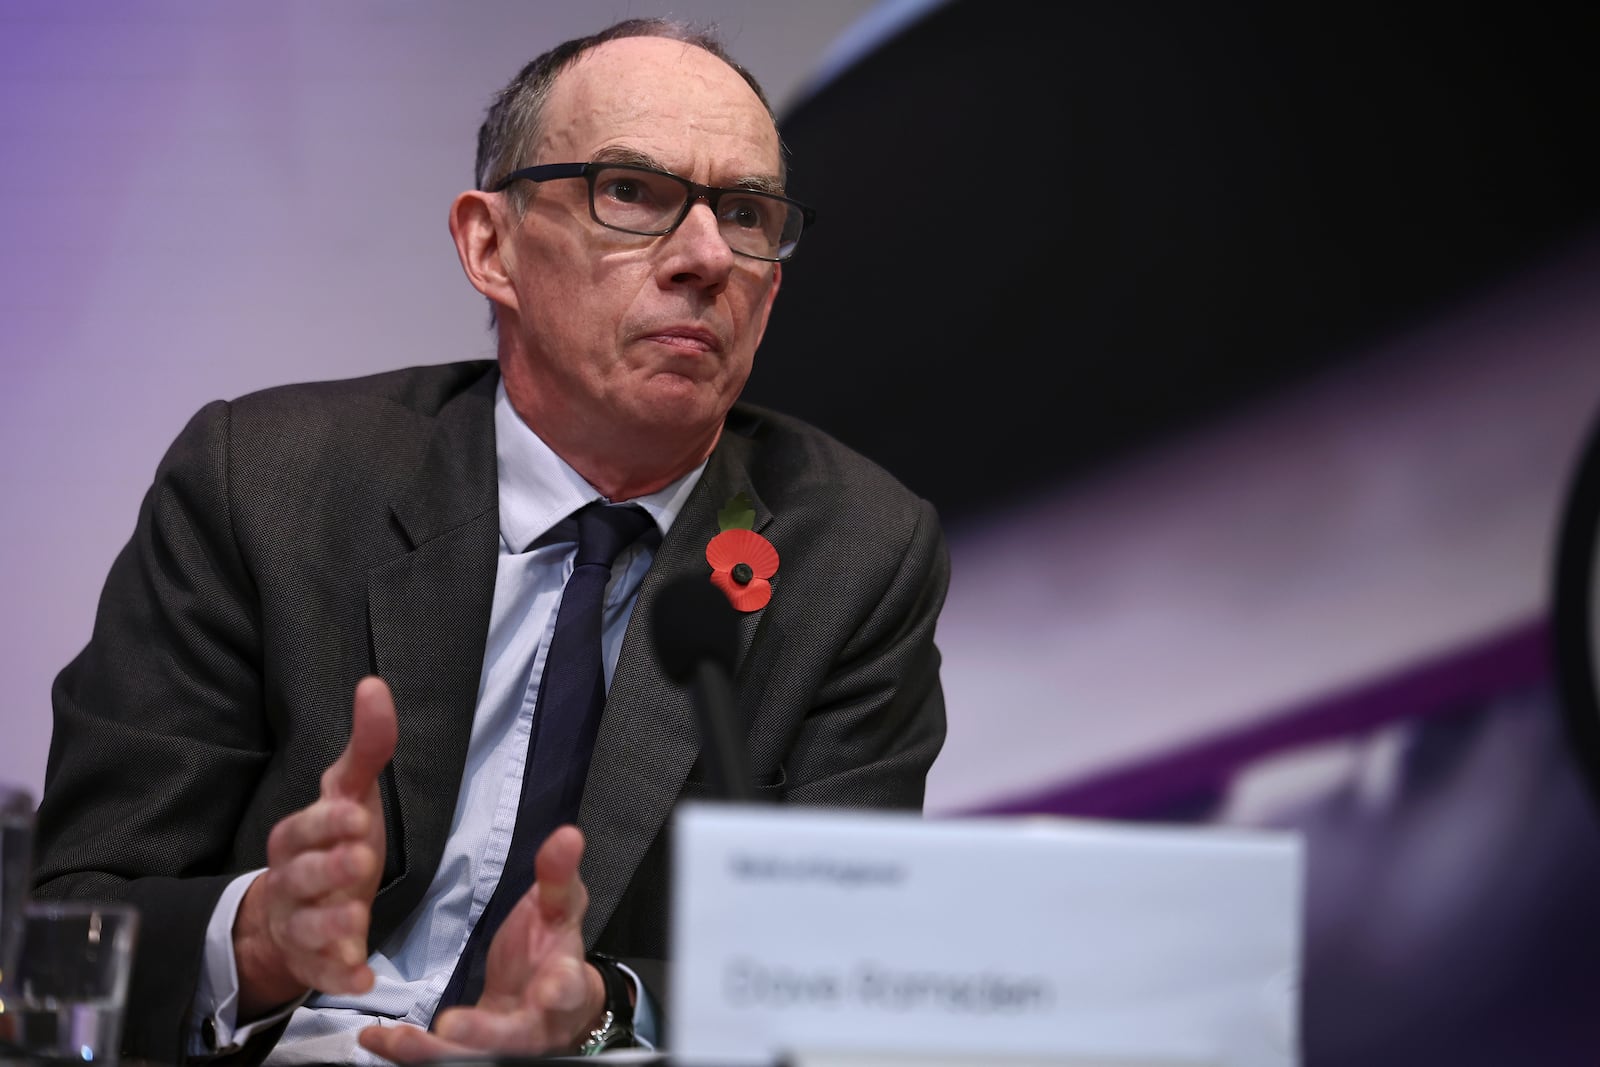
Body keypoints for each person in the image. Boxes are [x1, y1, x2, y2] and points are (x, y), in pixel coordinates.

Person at [31, 17, 948, 1065]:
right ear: (490, 246)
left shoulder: (857, 550)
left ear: (772, 283)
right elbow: (73, 912)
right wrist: (260, 935)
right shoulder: (266, 482)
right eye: (633, 193)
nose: (705, 258)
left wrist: (596, 1003)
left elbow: (833, 963)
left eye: (745, 214)